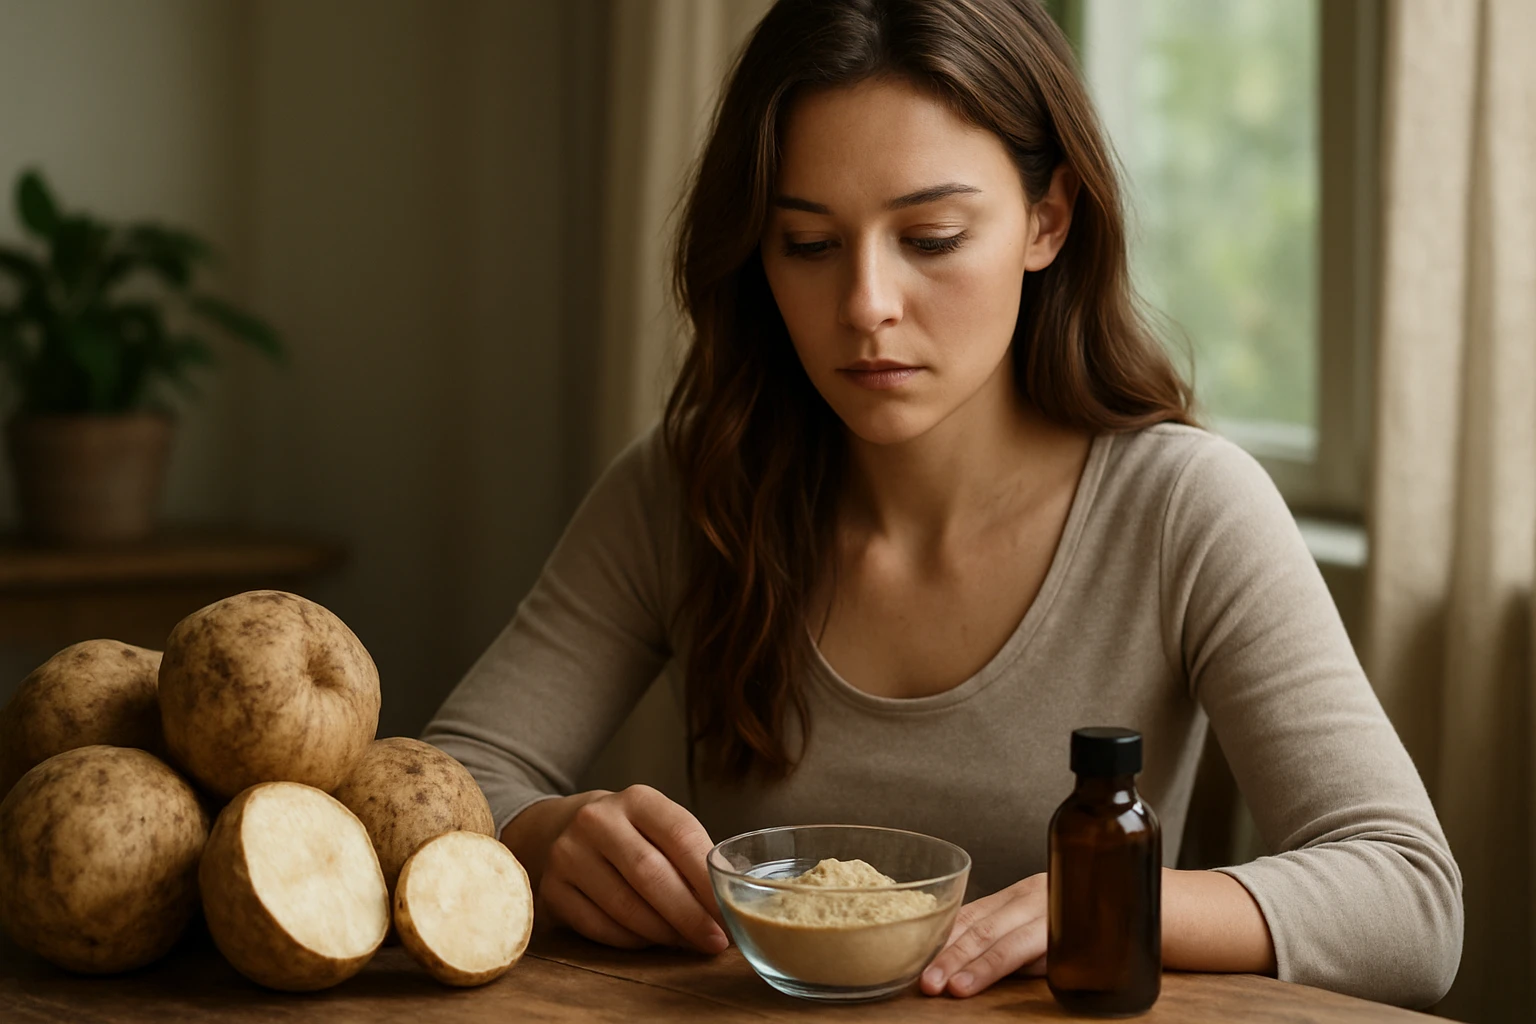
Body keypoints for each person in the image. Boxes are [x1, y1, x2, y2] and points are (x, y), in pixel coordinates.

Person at [423, 0, 1462, 1007]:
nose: (867, 303)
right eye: (810, 245)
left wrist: (1098, 900)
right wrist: (538, 834)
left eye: (929, 238)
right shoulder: (688, 487)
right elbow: (455, 776)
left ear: (1045, 222)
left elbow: (1413, 904)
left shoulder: (1184, 510)